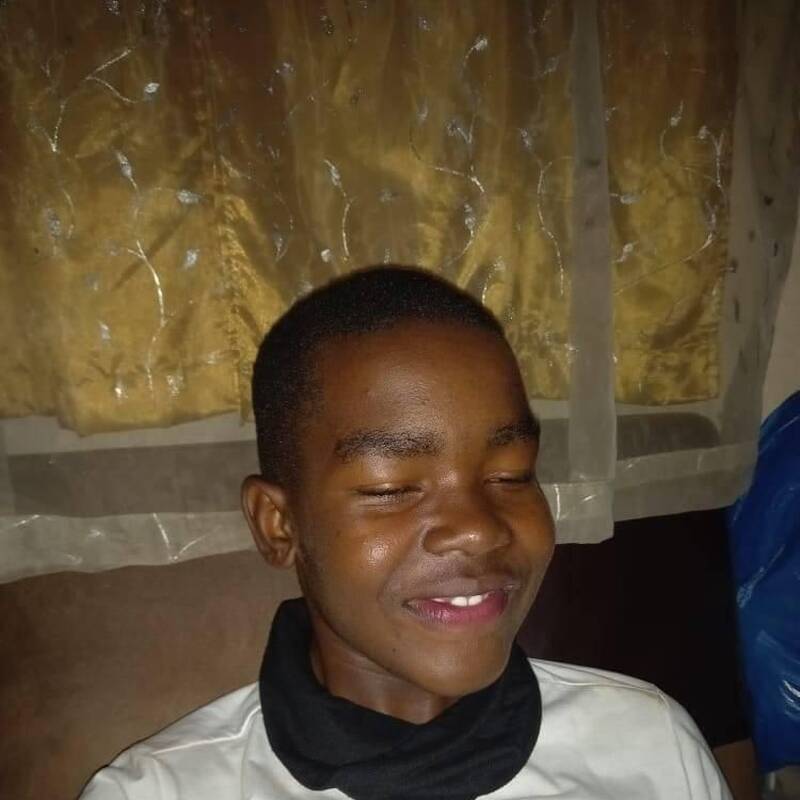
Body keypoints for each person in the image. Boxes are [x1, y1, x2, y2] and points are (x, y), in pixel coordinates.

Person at [80, 266, 731, 799]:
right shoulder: (158, 792)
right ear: (279, 524)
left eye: (511, 475)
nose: (478, 529)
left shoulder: (648, 747)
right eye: (391, 488)